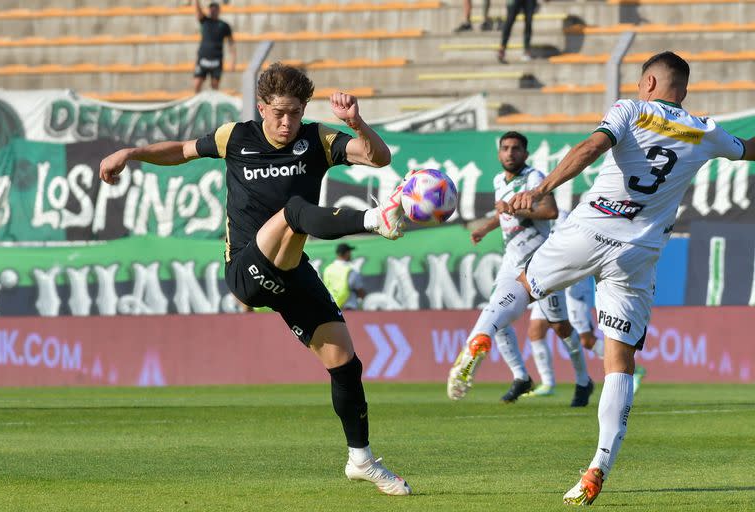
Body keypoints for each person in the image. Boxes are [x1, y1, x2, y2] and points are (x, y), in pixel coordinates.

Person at [448, 52, 753, 505]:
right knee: (619, 364)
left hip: (590, 227)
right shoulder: (706, 130)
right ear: (682, 90)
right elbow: (747, 148)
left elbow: (590, 148)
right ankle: (598, 466)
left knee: (525, 282)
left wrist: (541, 188)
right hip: (639, 253)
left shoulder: (630, 108)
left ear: (648, 82)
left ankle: (481, 334)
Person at [99, 63, 413, 496]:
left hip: (290, 269)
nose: (288, 123)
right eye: (280, 112)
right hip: (247, 269)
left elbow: (379, 158)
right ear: (262, 106)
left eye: (297, 113)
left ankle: (360, 459)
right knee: (293, 212)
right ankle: (372, 219)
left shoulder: (318, 139)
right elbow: (181, 151)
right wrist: (131, 154)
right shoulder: (236, 136)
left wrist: (356, 122)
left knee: (346, 364)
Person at [447, 131, 593, 406]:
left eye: (516, 148)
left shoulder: (534, 179)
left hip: (540, 265)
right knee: (497, 316)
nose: (510, 153)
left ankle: (584, 380)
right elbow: (502, 212)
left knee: (560, 327)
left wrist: (518, 211)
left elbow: (549, 212)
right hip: (510, 263)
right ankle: (520, 376)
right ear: (499, 153)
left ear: (525, 153)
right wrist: (484, 228)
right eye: (505, 148)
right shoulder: (498, 181)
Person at [193, 0, 236, 93]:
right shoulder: (205, 21)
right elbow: (198, 11)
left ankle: (213, 106)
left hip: (216, 60)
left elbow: (231, 43)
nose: (212, 11)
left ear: (218, 10)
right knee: (197, 84)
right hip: (203, 58)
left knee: (214, 87)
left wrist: (232, 60)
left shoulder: (224, 25)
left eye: (215, 9)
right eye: (211, 9)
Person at [323, 243, 367, 311]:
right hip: (348, 308)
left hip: (332, 307)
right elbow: (360, 290)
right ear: (346, 253)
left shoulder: (327, 269)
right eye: (349, 252)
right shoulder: (351, 271)